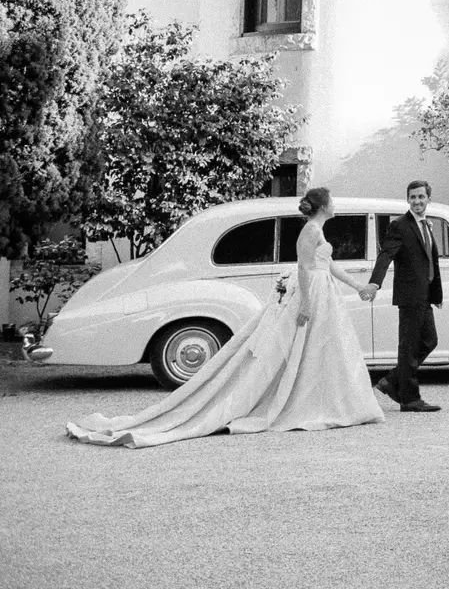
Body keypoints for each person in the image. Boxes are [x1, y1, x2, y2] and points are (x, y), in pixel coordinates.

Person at [66, 187, 385, 447]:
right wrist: (304, 305)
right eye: (332, 201)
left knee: (324, 349)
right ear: (323, 206)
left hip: (324, 290)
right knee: (304, 348)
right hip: (312, 291)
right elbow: (304, 267)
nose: (335, 205)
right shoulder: (311, 231)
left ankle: (328, 400)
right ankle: (300, 402)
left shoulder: (318, 231)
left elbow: (327, 265)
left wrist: (359, 286)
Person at [359, 179, 442, 412]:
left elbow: (429, 262)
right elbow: (386, 255)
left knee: (429, 341)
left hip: (424, 296)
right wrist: (375, 282)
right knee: (409, 346)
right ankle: (410, 398)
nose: (417, 201)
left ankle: (393, 381)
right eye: (413, 197)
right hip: (409, 296)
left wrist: (436, 294)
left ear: (428, 199)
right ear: (408, 199)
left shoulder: (427, 224)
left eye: (421, 197)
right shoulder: (400, 226)